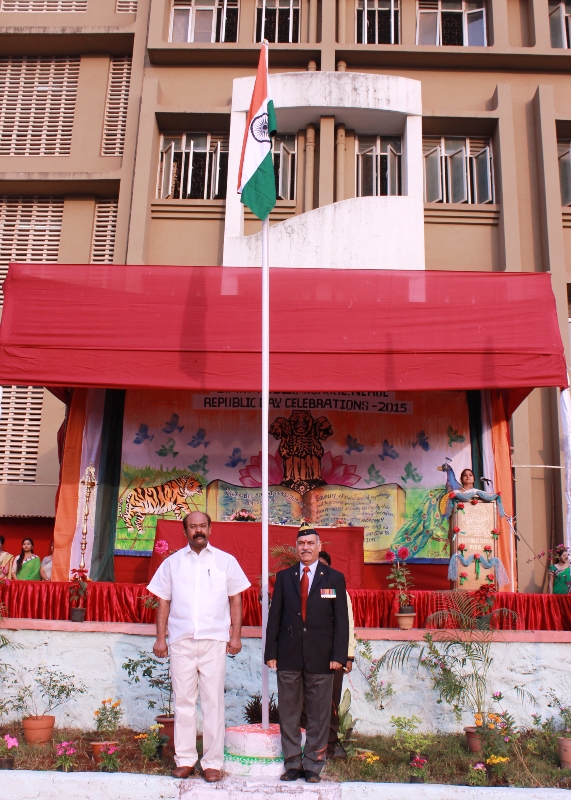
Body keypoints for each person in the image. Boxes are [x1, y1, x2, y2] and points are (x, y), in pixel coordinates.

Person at [147, 510, 250, 782]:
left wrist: (236, 635)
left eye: (203, 525)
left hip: (214, 641)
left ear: (210, 529)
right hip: (181, 641)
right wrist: (161, 638)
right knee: (183, 701)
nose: (198, 530)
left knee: (213, 701)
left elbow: (236, 599)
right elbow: (163, 601)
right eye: (193, 527)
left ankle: (212, 762)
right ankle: (185, 759)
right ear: (185, 532)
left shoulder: (226, 561)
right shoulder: (172, 563)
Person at [265, 523, 349, 783]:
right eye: (301, 544)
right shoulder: (284, 577)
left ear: (319, 546)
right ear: (296, 548)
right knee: (289, 713)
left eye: (311, 543)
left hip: (322, 657)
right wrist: (271, 652)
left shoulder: (334, 578)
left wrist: (339, 655)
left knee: (319, 714)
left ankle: (313, 764)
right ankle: (292, 762)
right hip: (288, 655)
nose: (306, 548)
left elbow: (341, 621)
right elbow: (275, 617)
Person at [317, 551, 357, 760]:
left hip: (334, 656)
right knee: (306, 704)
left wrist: (348, 655)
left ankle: (330, 748)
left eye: (323, 565)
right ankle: (308, 746)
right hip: (309, 655)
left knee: (331, 703)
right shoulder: (303, 587)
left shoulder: (333, 589)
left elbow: (346, 623)